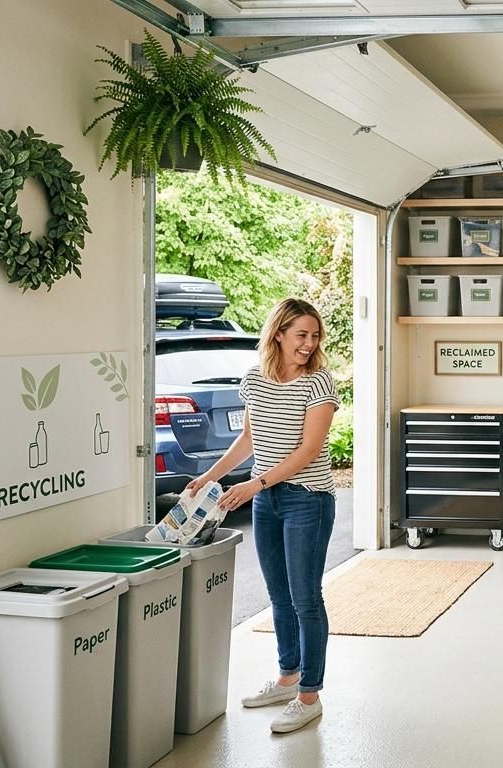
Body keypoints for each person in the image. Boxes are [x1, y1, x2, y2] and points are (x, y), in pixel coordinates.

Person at [186, 297, 339, 735]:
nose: (309, 344)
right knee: (279, 596)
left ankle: (309, 696)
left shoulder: (319, 383)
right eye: (301, 334)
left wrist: (254, 484)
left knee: (306, 598)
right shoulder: (254, 379)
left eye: (314, 335)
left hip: (307, 499)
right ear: (278, 334)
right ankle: (287, 678)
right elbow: (248, 441)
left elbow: (309, 450)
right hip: (268, 502)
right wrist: (209, 477)